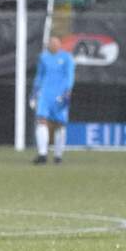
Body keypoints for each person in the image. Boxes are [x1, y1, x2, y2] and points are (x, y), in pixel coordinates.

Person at [30, 34, 75, 164]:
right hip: (45, 94)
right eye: (51, 42)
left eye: (55, 42)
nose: (53, 44)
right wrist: (34, 93)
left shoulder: (66, 58)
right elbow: (39, 75)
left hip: (60, 94)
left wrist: (67, 92)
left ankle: (58, 156)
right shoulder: (43, 57)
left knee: (59, 125)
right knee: (42, 121)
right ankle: (42, 154)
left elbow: (70, 76)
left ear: (60, 44)